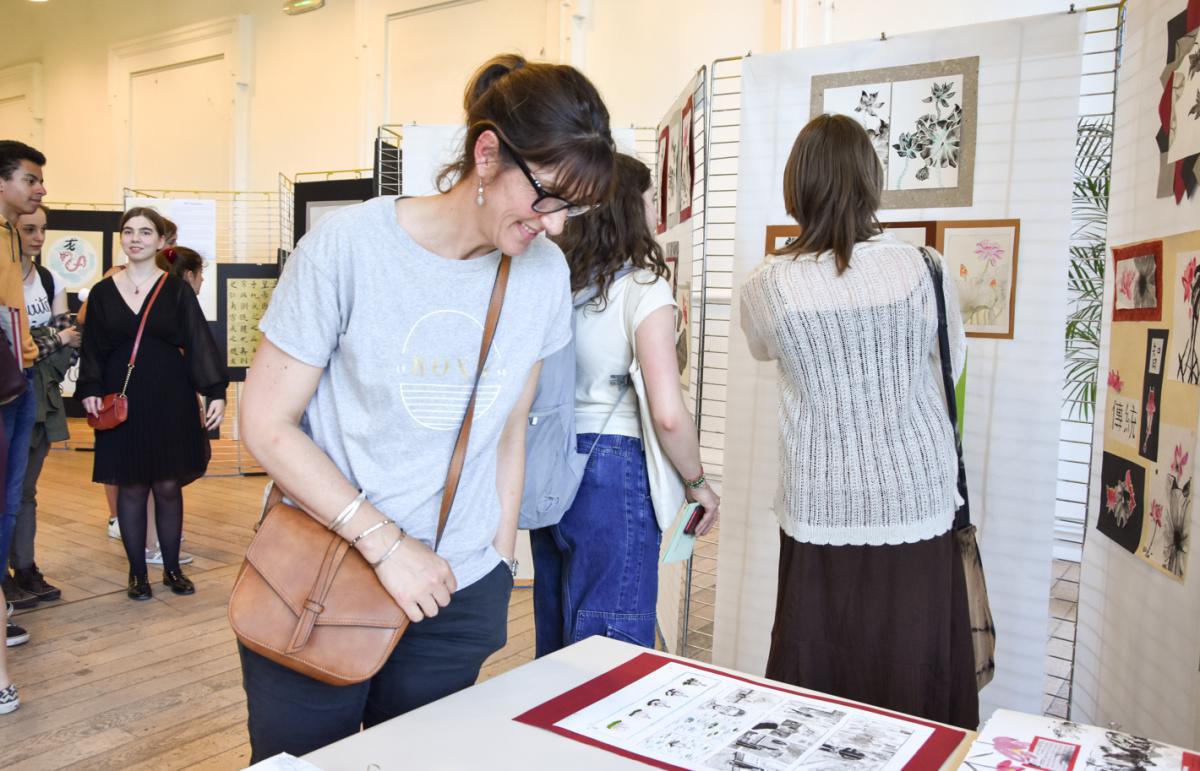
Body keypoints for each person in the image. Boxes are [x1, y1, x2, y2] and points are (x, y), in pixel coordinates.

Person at [237, 53, 616, 761]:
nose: (558, 225)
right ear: (486, 154)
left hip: (456, 591)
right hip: (322, 576)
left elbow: (511, 427)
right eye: (548, 197)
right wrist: (388, 547)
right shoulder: (348, 248)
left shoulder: (542, 274)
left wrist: (497, 562)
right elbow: (265, 423)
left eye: (574, 207)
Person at [738, 114, 978, 728]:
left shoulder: (768, 283)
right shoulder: (925, 267)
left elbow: (763, 349)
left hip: (821, 495)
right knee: (913, 657)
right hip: (917, 493)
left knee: (819, 659)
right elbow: (950, 365)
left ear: (797, 186)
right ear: (871, 180)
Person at [531, 154, 718, 655]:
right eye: (651, 199)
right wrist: (698, 483)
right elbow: (667, 414)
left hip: (553, 462)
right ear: (629, 209)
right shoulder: (643, 290)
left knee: (557, 632)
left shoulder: (559, 284)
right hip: (614, 469)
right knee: (612, 640)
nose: (656, 211)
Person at [77, 207, 226, 601]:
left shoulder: (175, 289)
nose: (136, 239)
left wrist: (215, 390)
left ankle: (172, 568)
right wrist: (89, 386)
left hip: (170, 394)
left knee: (167, 484)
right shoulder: (102, 292)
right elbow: (92, 347)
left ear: (161, 241)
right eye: (129, 231)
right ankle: (137, 573)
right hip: (121, 395)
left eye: (145, 232)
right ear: (121, 238)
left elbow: (198, 340)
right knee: (130, 485)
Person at [7, 203, 79, 604]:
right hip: (9, 392)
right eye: (28, 229)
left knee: (26, 490)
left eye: (42, 229)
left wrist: (45, 342)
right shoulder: (6, 278)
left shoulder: (50, 280)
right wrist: (52, 339)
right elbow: (24, 343)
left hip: (42, 399)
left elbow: (69, 340)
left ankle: (25, 566)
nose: (37, 237)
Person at [0, 140, 45, 653]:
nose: (40, 189)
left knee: (9, 503)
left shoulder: (12, 235)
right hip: (5, 382)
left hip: (20, 379)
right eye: (30, 179)